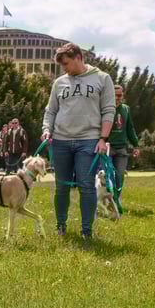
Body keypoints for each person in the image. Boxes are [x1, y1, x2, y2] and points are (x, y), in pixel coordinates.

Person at [42, 42, 115, 241]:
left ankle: (86, 231)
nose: (64, 69)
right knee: (61, 186)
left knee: (86, 185)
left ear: (78, 58)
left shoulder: (102, 78)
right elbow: (51, 110)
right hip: (61, 141)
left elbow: (109, 110)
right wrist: (47, 129)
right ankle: (61, 226)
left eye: (66, 64)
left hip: (89, 141)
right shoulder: (59, 83)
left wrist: (103, 139)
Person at [108, 85, 140, 205]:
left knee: (119, 176)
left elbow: (129, 128)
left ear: (123, 95)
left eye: (119, 95)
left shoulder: (126, 109)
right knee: (107, 175)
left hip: (122, 148)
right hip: (108, 147)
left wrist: (136, 145)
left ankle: (117, 200)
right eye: (114, 95)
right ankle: (105, 200)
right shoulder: (105, 107)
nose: (117, 97)